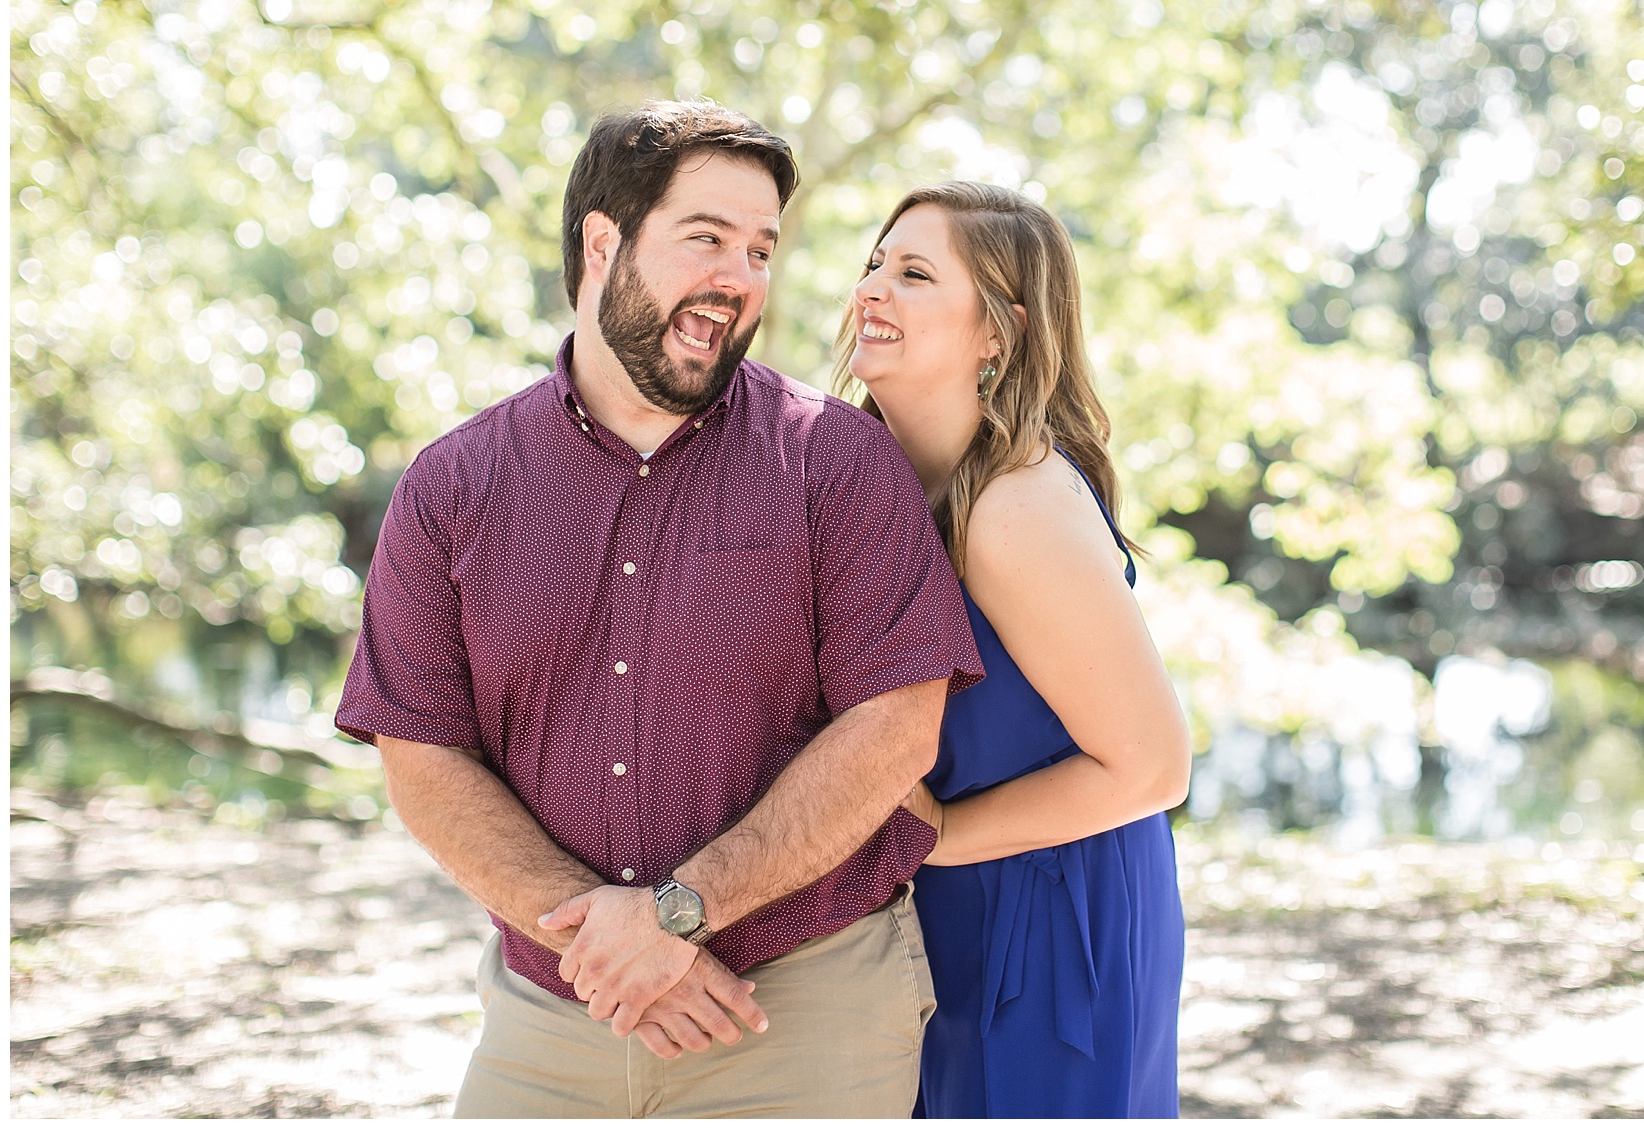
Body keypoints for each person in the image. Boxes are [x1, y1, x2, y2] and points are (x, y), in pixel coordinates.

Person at [335, 100, 983, 1118]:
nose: (740, 277)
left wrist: (679, 914)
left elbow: (898, 723)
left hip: (803, 1020)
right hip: (551, 1020)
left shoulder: (837, 462)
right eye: (707, 239)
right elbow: (421, 753)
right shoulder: (453, 486)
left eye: (761, 250)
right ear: (604, 243)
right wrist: (617, 948)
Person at [836, 181, 1192, 1118]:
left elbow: (1155, 765)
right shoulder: (879, 485)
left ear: (998, 332)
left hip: (1052, 924)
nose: (872, 287)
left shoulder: (1013, 506)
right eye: (876, 262)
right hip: (945, 910)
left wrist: (938, 838)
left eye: (914, 273)